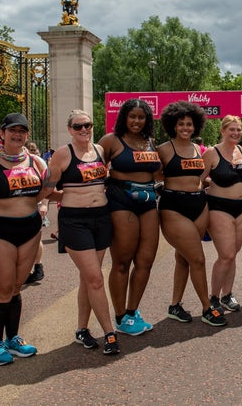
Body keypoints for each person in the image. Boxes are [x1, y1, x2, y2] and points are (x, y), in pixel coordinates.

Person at [43, 109, 119, 355]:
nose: (84, 129)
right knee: (95, 279)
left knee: (89, 278)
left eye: (88, 124)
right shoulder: (63, 154)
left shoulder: (99, 150)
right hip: (75, 222)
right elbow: (47, 190)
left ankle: (81, 329)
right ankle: (110, 333)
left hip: (101, 219)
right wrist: (70, 194)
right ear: (69, 130)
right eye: (78, 126)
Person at [0, 113, 44, 365]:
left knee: (17, 286)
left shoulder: (36, 162)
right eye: (12, 130)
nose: (18, 135)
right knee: (3, 287)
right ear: (1, 133)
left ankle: (13, 338)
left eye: (23, 131)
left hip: (29, 229)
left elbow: (48, 189)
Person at [157, 101, 226, 326]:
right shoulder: (164, 149)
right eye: (181, 124)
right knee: (197, 258)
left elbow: (200, 178)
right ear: (172, 126)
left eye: (189, 124)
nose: (185, 127)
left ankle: (175, 306)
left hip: (199, 205)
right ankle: (207, 308)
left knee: (183, 258)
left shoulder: (199, 149)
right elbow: (155, 178)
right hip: (173, 207)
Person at [98, 99, 161, 336]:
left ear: (147, 120)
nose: (136, 121)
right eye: (132, 116)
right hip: (121, 199)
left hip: (148, 200)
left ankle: (133, 312)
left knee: (146, 261)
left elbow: (159, 172)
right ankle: (120, 315)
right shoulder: (110, 140)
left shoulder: (149, 142)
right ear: (124, 117)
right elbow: (93, 169)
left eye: (141, 117)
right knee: (122, 261)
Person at [202, 115, 242, 312]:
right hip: (219, 207)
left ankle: (227, 294)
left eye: (238, 130)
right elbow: (199, 179)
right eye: (231, 130)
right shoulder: (211, 152)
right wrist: (211, 184)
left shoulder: (241, 150)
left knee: (233, 255)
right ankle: (214, 296)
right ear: (223, 131)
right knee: (225, 254)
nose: (235, 133)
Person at [24, 141, 47, 284]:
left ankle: (38, 265)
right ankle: (25, 271)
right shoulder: (2, 159)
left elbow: (48, 185)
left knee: (36, 238)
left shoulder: (37, 162)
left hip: (35, 205)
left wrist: (44, 204)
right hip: (16, 208)